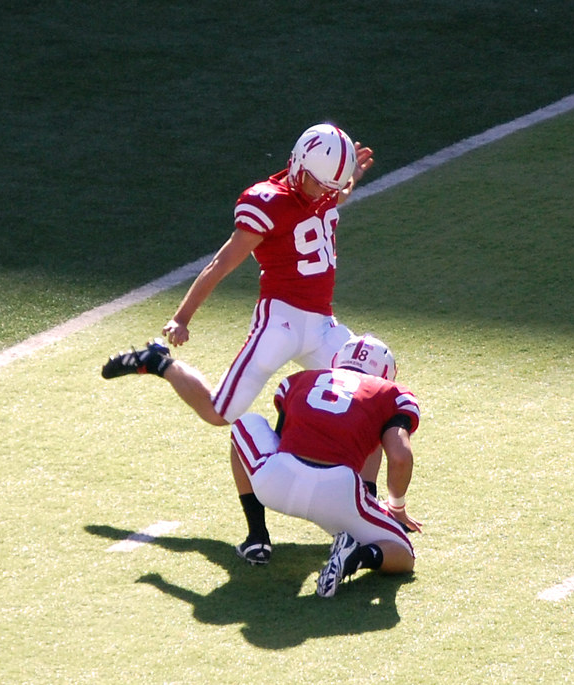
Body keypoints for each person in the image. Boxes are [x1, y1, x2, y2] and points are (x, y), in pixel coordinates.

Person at [102, 124, 378, 565]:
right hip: (279, 321)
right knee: (221, 413)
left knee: (371, 401)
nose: (322, 191)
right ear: (297, 164)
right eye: (317, 181)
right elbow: (220, 263)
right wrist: (182, 317)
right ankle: (158, 362)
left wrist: (345, 182)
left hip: (323, 325)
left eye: (331, 184)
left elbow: (331, 197)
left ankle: (368, 514)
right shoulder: (267, 202)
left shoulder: (323, 188)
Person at [229, 334, 423, 598]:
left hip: (276, 484)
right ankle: (357, 556)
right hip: (339, 499)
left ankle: (257, 537)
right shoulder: (390, 393)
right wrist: (396, 508)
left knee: (245, 424)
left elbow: (280, 437)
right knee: (403, 553)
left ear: (337, 360)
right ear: (387, 373)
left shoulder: (299, 380)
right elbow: (400, 456)